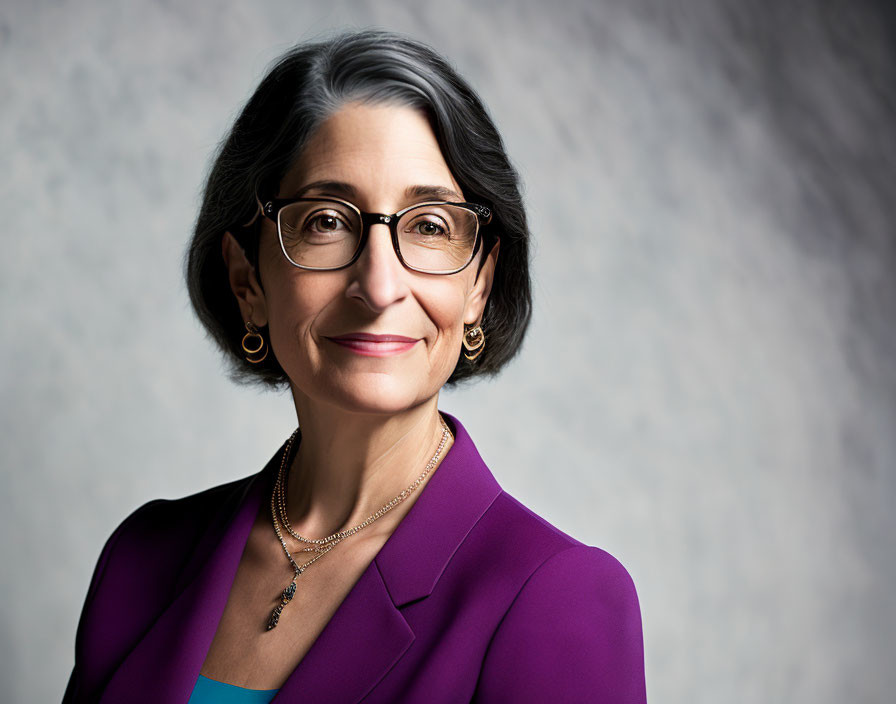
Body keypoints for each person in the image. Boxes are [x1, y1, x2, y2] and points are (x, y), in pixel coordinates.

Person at [63, 29, 647, 704]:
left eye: (428, 226)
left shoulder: (554, 599)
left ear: (479, 286)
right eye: (326, 221)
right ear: (247, 279)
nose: (378, 285)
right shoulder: (142, 561)